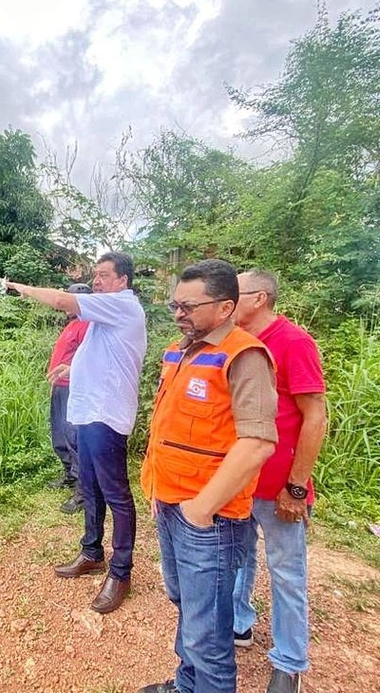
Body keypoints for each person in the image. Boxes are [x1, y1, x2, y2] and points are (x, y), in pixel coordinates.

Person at [139, 259, 278, 693]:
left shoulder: (244, 355)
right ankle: (186, 685)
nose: (178, 313)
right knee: (187, 606)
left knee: (207, 630)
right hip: (169, 501)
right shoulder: (179, 349)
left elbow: (257, 443)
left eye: (188, 305)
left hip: (209, 519)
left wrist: (201, 509)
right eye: (174, 304)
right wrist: (158, 489)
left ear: (224, 308)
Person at [5, 252, 147, 615]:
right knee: (89, 486)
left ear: (122, 281)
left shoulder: (122, 306)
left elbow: (58, 300)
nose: (96, 281)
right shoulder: (106, 314)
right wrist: (73, 364)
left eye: (103, 275)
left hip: (105, 415)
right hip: (88, 412)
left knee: (116, 494)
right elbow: (105, 354)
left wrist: (16, 287)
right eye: (95, 275)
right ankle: (92, 552)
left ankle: (121, 572)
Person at [230, 270, 327, 693]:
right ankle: (239, 623)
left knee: (285, 570)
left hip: (279, 484)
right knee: (237, 558)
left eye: (236, 292)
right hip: (238, 480)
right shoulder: (234, 340)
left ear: (260, 298)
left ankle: (289, 661)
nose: (227, 299)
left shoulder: (293, 341)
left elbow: (315, 416)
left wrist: (297, 486)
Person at [46, 283, 92, 514]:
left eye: (68, 299)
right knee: (60, 436)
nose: (63, 303)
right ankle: (70, 476)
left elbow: (90, 356)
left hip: (74, 387)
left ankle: (84, 492)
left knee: (74, 438)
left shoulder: (86, 325)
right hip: (60, 387)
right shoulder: (73, 324)